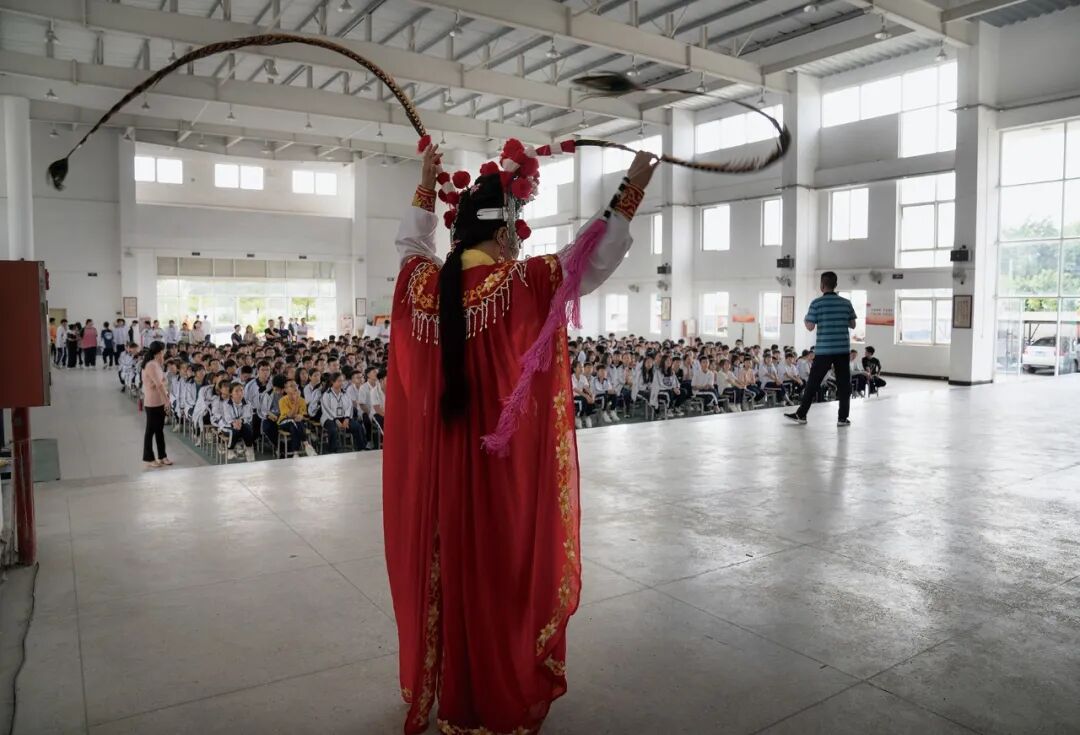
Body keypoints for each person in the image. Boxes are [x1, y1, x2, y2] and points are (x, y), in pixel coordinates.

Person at [383, 142, 657, 734]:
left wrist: (425, 184)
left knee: (447, 567)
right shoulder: (522, 282)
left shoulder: (421, 288)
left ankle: (452, 683)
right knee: (500, 573)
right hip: (498, 465)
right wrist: (630, 189)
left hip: (441, 465)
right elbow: (590, 256)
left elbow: (409, 245)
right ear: (506, 229)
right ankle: (491, 691)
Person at [786, 271, 857, 427]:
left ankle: (802, 414)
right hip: (842, 349)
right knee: (844, 384)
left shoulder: (816, 303)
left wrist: (806, 319)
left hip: (824, 350)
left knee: (813, 383)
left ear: (822, 285)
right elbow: (853, 325)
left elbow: (810, 326)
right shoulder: (846, 303)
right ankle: (842, 419)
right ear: (836, 285)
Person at [141, 341, 172, 468]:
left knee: (159, 430)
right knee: (150, 431)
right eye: (162, 351)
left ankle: (162, 456)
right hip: (153, 402)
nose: (163, 354)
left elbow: (162, 380)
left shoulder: (156, 364)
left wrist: (161, 384)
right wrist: (167, 400)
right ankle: (148, 458)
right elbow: (159, 384)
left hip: (158, 400)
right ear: (159, 352)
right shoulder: (151, 365)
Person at [278, 378, 317, 457]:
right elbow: (289, 415)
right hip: (284, 422)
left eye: (295, 385)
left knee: (294, 427)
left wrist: (301, 416)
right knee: (293, 421)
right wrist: (296, 402)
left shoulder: (302, 400)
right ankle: (306, 444)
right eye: (291, 386)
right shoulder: (282, 400)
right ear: (285, 389)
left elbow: (304, 415)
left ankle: (295, 453)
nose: (295, 387)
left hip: (296, 423)